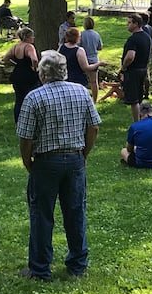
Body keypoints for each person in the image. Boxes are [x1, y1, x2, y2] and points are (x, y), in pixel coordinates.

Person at [16, 50, 101, 280]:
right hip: (74, 158)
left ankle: (40, 268)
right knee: (75, 212)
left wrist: (28, 162)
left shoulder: (34, 97)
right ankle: (77, 265)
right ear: (64, 72)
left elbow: (25, 138)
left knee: (42, 214)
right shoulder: (81, 92)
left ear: (43, 74)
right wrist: (84, 153)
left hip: (45, 161)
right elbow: (94, 127)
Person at [3, 26, 41, 123]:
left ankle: (18, 120)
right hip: (28, 77)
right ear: (28, 37)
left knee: (19, 100)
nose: (33, 38)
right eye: (32, 36)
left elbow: (5, 58)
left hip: (17, 75)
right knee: (32, 99)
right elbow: (34, 59)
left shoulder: (16, 47)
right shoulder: (29, 47)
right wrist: (35, 68)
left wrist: (16, 64)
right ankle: (32, 119)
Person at [120, 14, 152, 122]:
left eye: (129, 23)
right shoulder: (147, 37)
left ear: (136, 24)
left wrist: (123, 67)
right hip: (143, 69)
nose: (127, 25)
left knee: (133, 101)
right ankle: (143, 119)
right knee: (139, 98)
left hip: (133, 71)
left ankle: (137, 123)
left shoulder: (133, 39)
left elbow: (130, 56)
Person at [80, 15, 104, 101]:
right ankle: (95, 100)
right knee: (94, 82)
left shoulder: (81, 34)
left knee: (83, 81)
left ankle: (83, 99)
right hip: (94, 60)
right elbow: (100, 47)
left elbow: (79, 46)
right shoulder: (96, 34)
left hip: (83, 60)